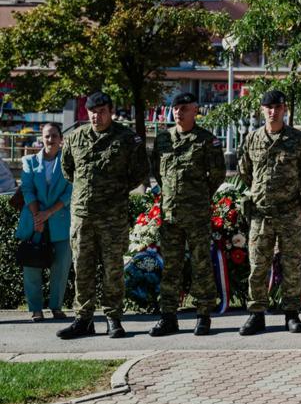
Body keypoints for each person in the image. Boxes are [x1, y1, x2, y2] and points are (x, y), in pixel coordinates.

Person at [58, 92, 150, 340]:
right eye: (92, 112)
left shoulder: (127, 138)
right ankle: (83, 319)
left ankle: (113, 318)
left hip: (112, 216)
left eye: (101, 112)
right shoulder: (75, 137)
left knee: (113, 269)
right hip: (83, 216)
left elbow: (140, 171)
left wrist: (115, 191)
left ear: (111, 112)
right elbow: (68, 170)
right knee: (82, 268)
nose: (96, 117)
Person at [238, 89, 301, 336]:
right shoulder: (252, 139)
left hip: (289, 212)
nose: (273, 112)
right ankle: (256, 313)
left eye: (278, 107)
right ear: (262, 110)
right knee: (257, 265)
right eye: (269, 107)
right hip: (261, 214)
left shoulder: (298, 139)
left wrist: (292, 191)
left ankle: (292, 313)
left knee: (291, 264)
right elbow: (245, 171)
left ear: (284, 109)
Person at [149, 93, 227, 337]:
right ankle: (168, 316)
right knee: (170, 268)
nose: (178, 112)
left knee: (200, 265)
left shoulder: (207, 140)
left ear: (195, 110)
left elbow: (217, 174)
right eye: (175, 108)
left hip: (196, 216)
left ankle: (203, 315)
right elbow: (158, 173)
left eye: (184, 108)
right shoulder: (163, 139)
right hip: (170, 216)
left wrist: (198, 196)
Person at [18, 122, 71, 322]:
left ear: (61, 139)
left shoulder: (68, 161)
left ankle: (56, 307)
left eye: (54, 136)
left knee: (61, 267)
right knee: (31, 266)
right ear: (42, 138)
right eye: (47, 136)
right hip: (34, 221)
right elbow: (27, 189)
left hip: (60, 221)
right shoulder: (29, 161)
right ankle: (36, 309)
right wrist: (37, 217)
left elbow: (70, 192)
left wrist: (48, 213)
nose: (50, 139)